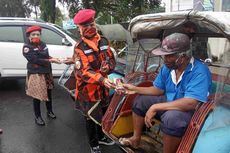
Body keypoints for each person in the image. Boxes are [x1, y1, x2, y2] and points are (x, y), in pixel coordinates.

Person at [118, 33, 212, 153]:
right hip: (170, 101)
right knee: (140, 100)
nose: (165, 60)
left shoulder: (200, 71)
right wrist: (134, 88)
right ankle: (136, 139)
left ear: (183, 57)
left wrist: (155, 107)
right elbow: (158, 89)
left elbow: (191, 103)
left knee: (171, 118)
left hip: (192, 112)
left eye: (169, 56)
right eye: (164, 56)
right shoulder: (168, 68)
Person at [63, 9, 116, 153]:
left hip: (103, 88)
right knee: (90, 117)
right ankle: (93, 144)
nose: (89, 28)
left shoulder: (104, 41)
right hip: (88, 91)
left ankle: (102, 137)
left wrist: (108, 67)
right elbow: (83, 71)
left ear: (95, 23)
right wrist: (101, 78)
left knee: (103, 113)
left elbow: (111, 60)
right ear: (79, 29)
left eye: (91, 24)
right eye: (84, 26)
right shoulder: (79, 47)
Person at [23, 26, 61, 126]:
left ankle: (49, 111)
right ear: (29, 36)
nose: (36, 36)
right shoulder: (27, 47)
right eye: (33, 34)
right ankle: (37, 116)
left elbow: (45, 56)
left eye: (38, 34)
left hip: (47, 72)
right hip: (36, 74)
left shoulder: (43, 44)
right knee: (37, 96)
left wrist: (54, 59)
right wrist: (49, 60)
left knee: (49, 93)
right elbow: (34, 60)